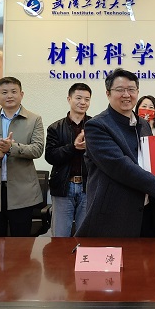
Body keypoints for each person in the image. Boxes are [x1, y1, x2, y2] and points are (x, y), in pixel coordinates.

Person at [76, 68, 155, 237]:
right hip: (115, 215)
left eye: (131, 89)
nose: (126, 95)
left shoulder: (143, 124)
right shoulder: (96, 126)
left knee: (148, 254)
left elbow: (150, 162)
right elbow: (120, 166)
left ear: (137, 92)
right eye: (120, 89)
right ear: (108, 93)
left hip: (147, 211)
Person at [0, 76, 44, 237]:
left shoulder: (34, 120)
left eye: (13, 91)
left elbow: (38, 149)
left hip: (22, 192)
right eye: (4, 92)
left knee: (21, 243)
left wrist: (12, 148)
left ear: (21, 94)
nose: (9, 96)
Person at [44, 82, 92, 237]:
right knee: (60, 236)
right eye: (78, 98)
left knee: (85, 236)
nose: (83, 102)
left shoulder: (96, 126)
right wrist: (73, 147)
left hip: (88, 187)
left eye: (87, 99)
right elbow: (50, 156)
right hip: (63, 187)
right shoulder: (55, 128)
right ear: (69, 99)